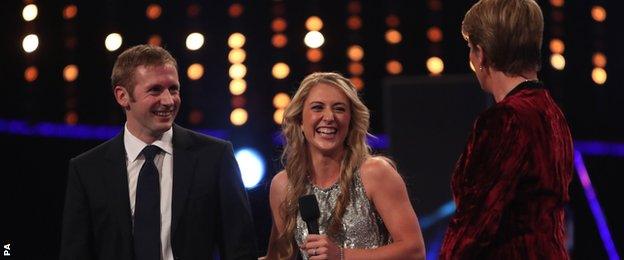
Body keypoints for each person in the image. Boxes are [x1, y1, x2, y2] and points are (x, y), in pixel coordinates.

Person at [60, 45, 258, 260]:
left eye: (173, 89)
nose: (168, 100)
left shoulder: (215, 157)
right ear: (122, 96)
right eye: (155, 90)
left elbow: (240, 250)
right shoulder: (87, 169)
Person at [439, 0, 573, 259]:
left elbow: (475, 223)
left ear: (482, 54)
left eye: (470, 48)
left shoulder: (505, 119)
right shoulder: (552, 112)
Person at [264, 72, 425, 260]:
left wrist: (341, 255)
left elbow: (414, 251)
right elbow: (279, 256)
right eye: (317, 108)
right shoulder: (284, 185)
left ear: (351, 121)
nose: (329, 117)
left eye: (339, 109)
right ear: (300, 120)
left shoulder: (375, 173)